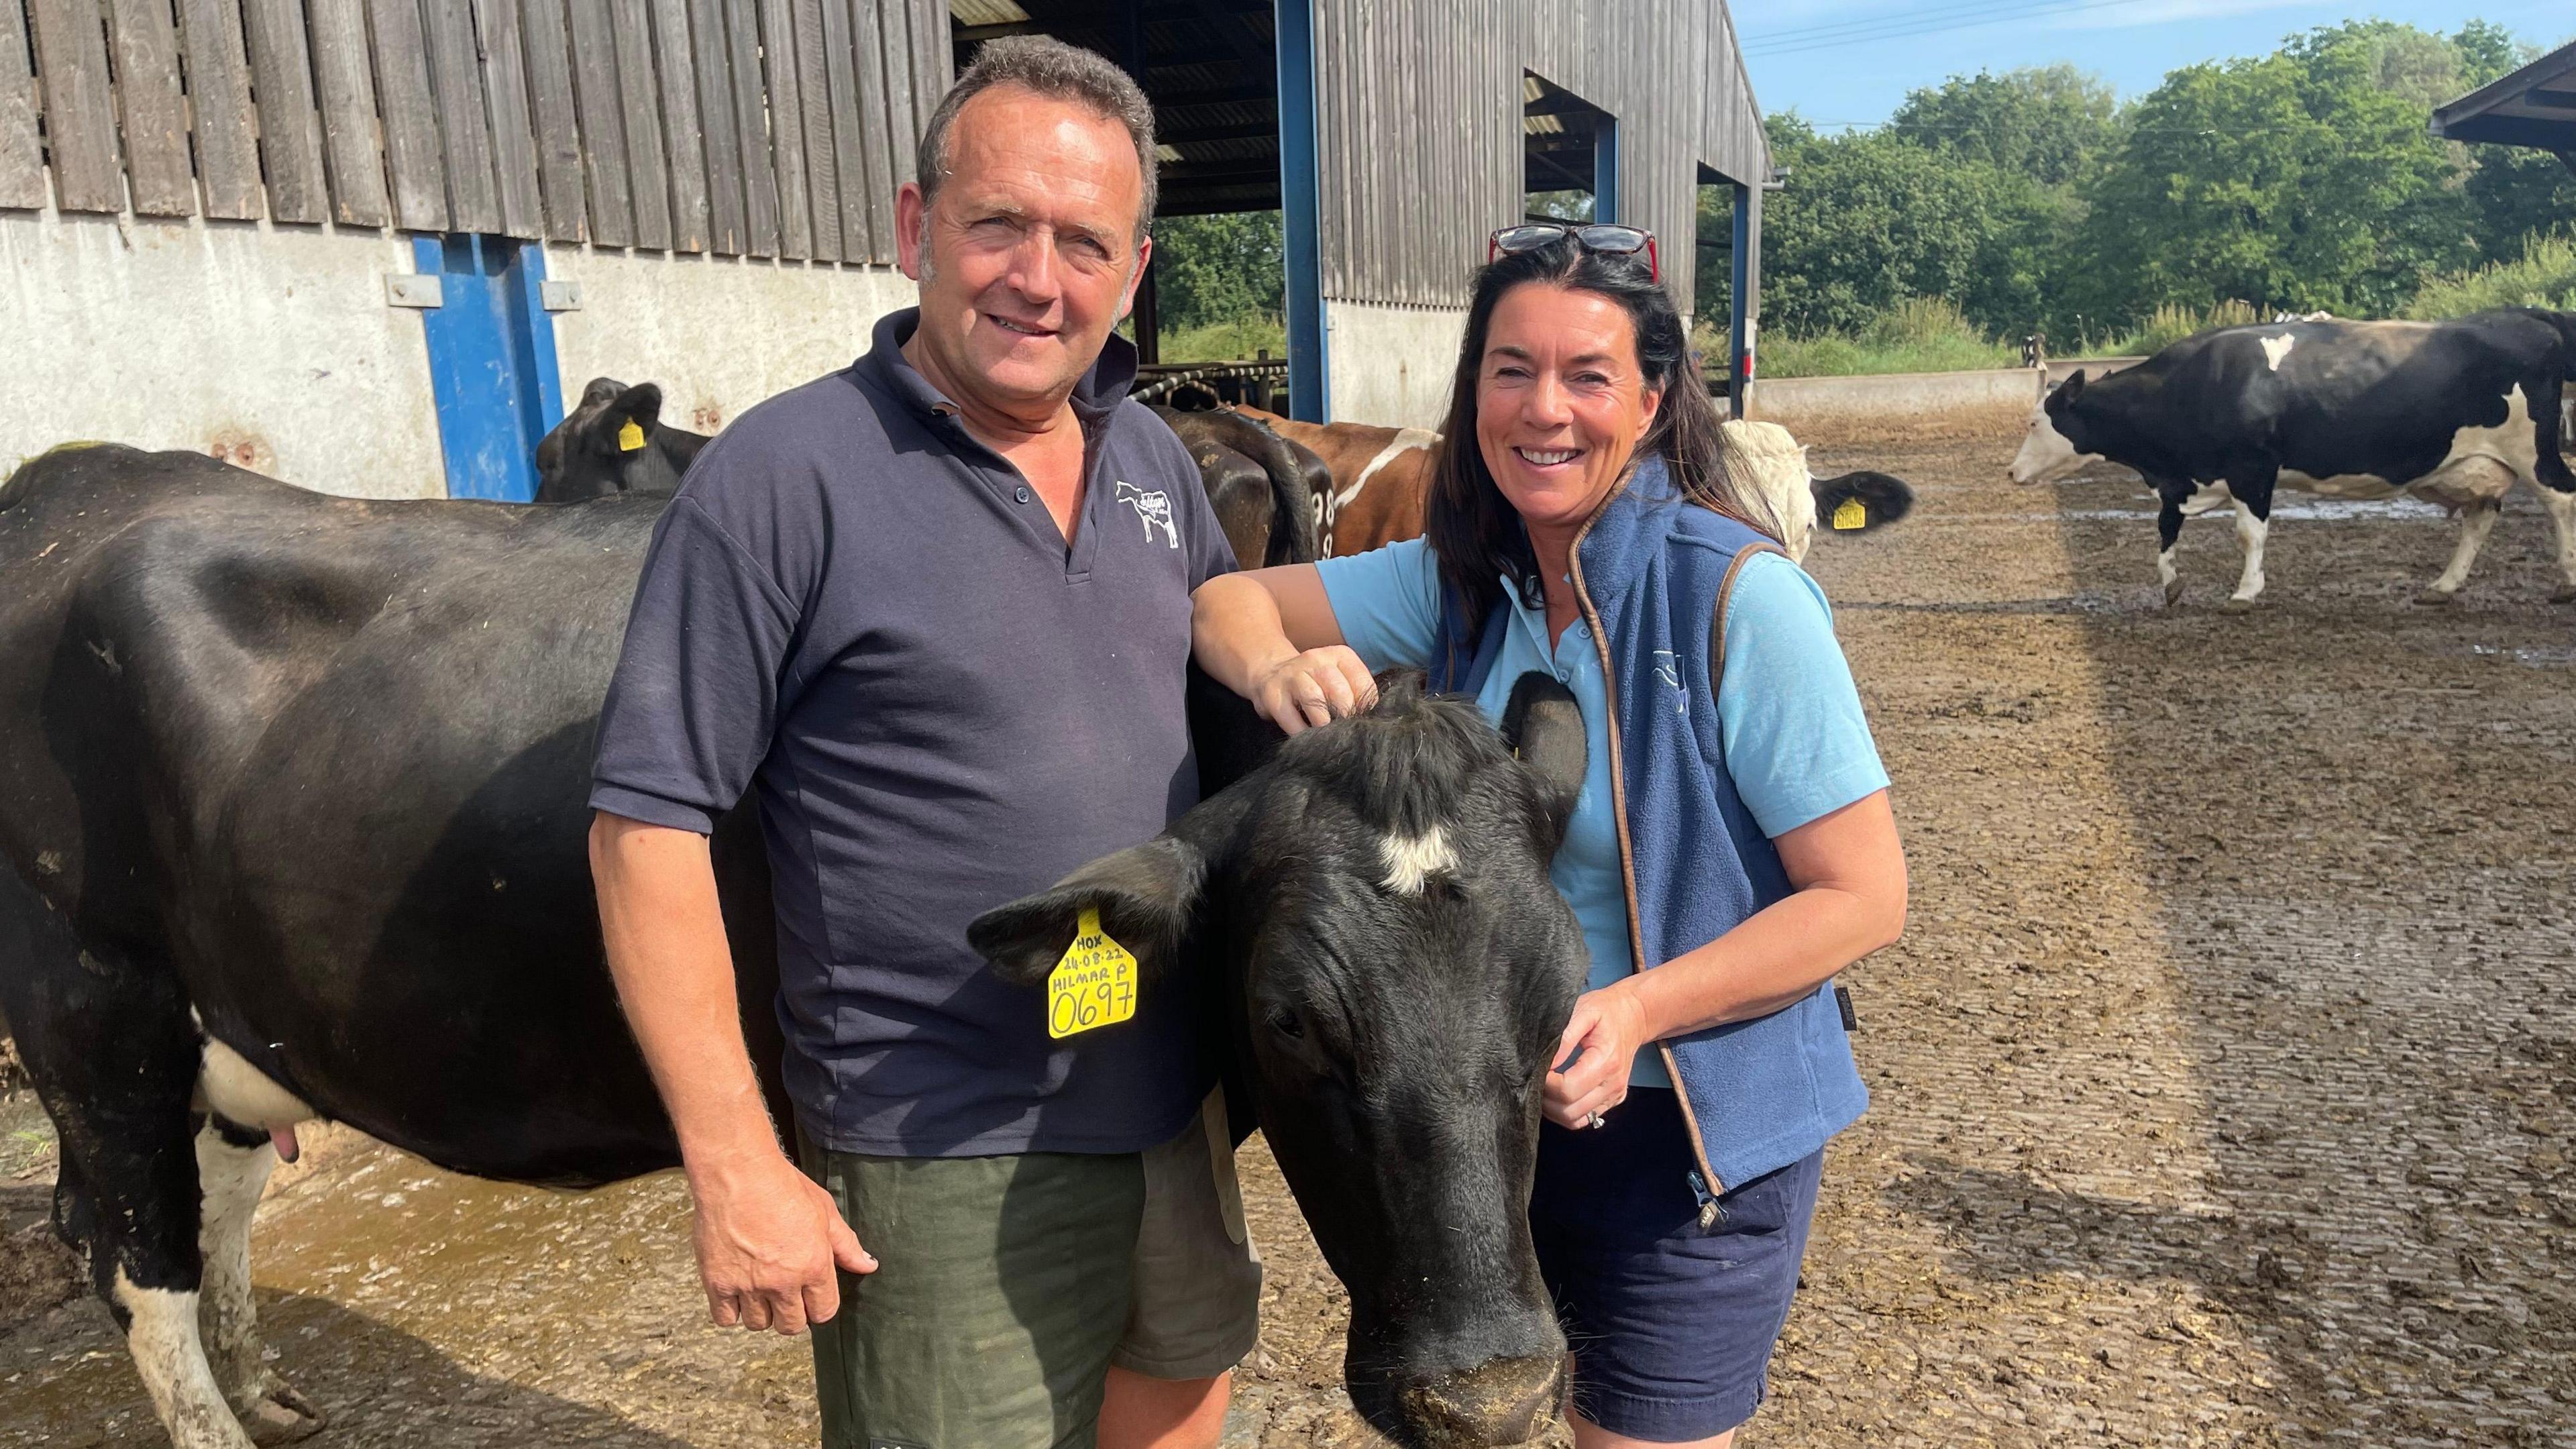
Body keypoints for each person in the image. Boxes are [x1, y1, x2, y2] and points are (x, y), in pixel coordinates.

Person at [586, 36, 1260, 1449]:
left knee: (1183, 1419)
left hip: (1165, 1110)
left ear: (1134, 271)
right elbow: (644, 829)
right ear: (914, 227)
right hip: (937, 1143)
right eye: (998, 223)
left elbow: (1213, 622)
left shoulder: (1150, 461)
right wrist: (735, 1166)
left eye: (1086, 241)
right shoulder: (784, 478)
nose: (1039, 276)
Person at [1191, 225, 1907, 1448]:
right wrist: (1281, 670)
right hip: (1495, 1125)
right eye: (1511, 370)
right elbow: (1224, 599)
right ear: (1474, 391)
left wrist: (1636, 1010)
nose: (1545, 410)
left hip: (1686, 1138)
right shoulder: (1470, 580)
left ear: (1654, 395)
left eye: (1587, 375)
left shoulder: (1738, 597)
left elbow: (1863, 899)